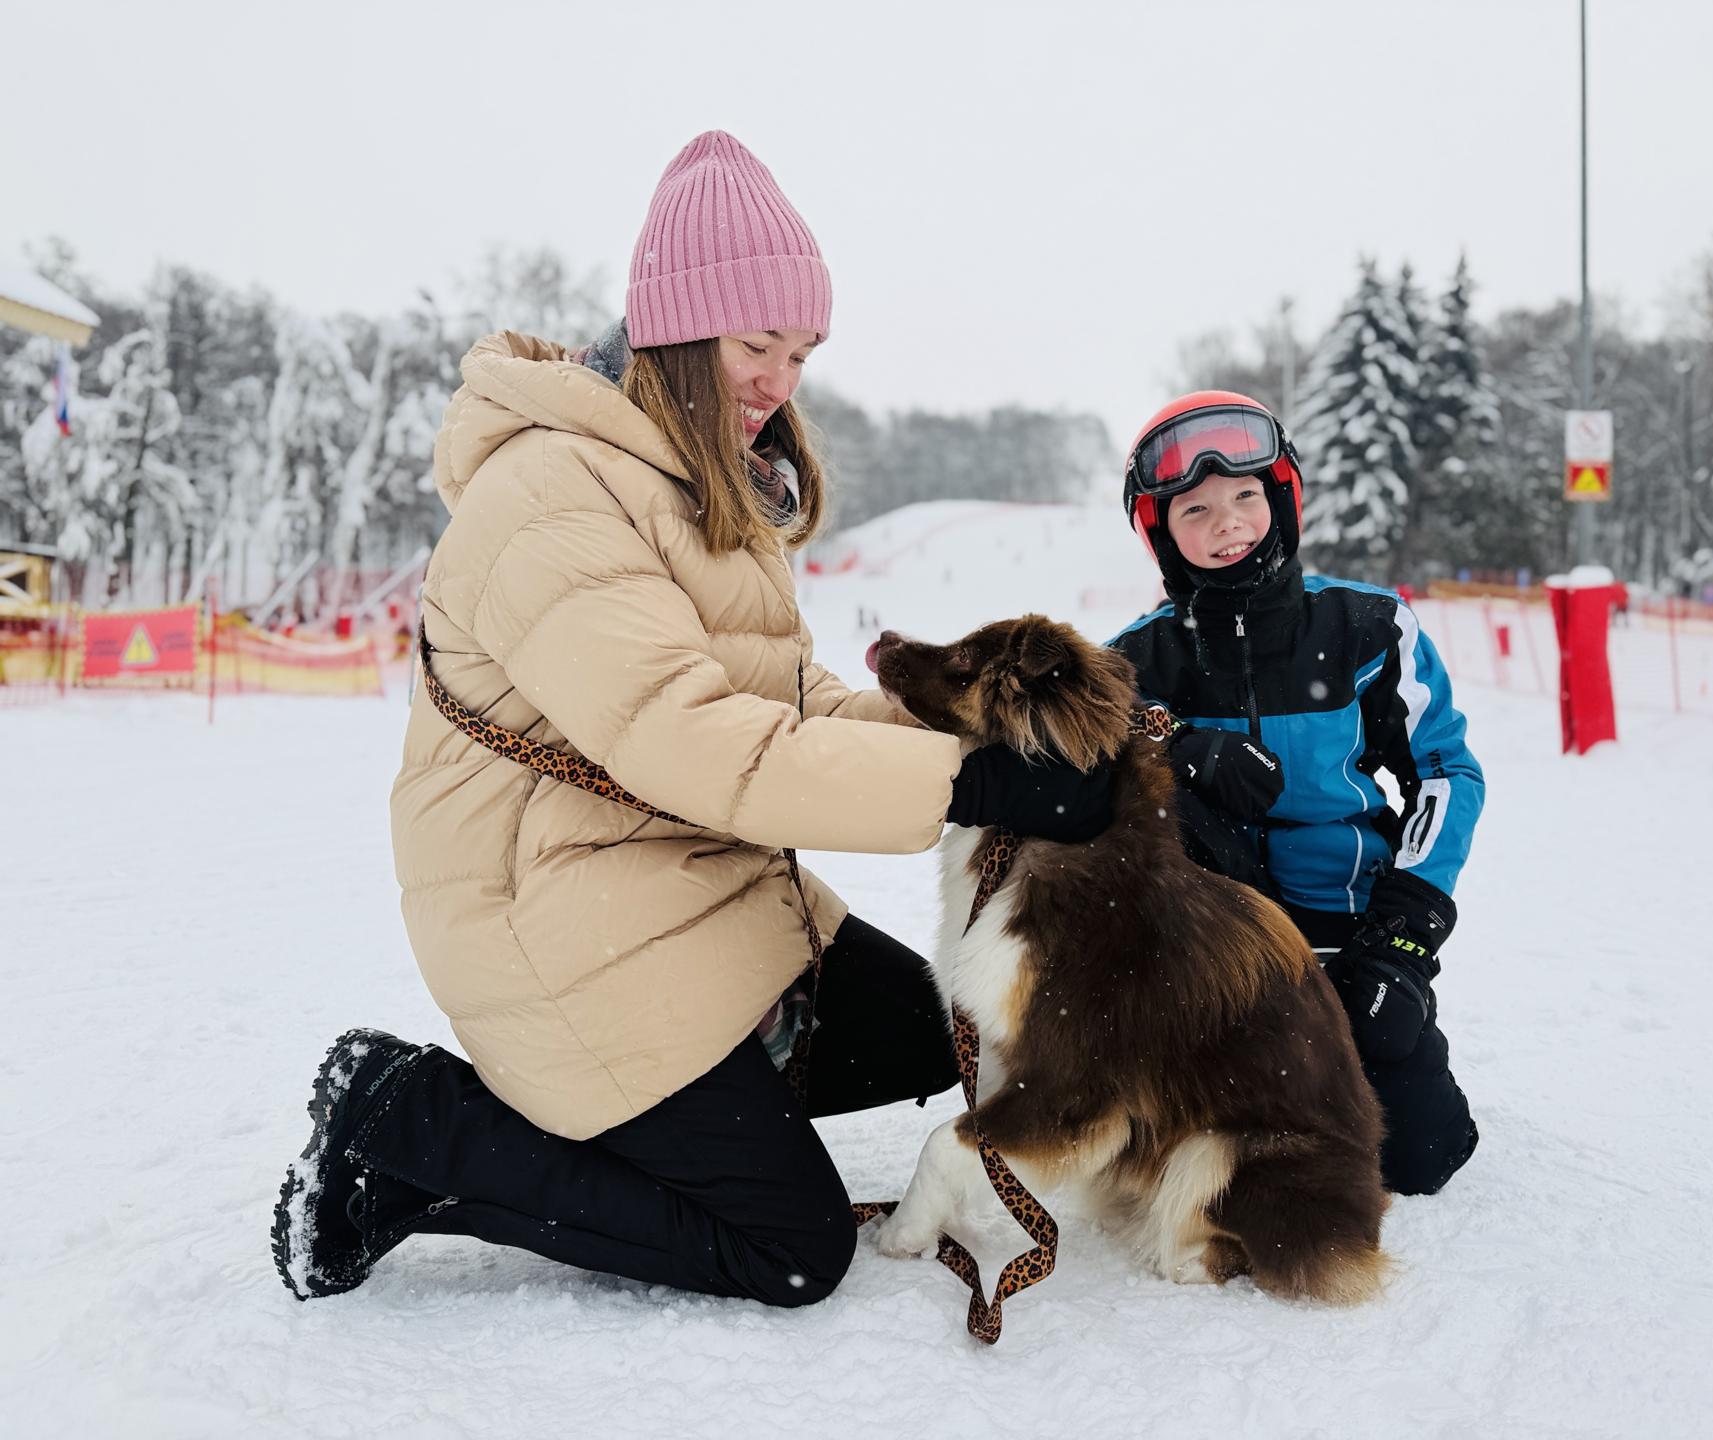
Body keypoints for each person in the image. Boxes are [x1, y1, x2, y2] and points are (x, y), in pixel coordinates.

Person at [271, 131, 1113, 1309]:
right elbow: (689, 737)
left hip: (692, 889)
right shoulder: (555, 489)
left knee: (948, 1030)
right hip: (564, 922)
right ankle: (418, 1124)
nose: (781, 380)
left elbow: (786, 699)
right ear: (673, 330)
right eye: (756, 344)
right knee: (793, 1247)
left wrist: (985, 749)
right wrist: (965, 794)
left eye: (802, 353)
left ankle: (682, 1108)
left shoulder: (697, 479)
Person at [1107, 391, 1485, 1196]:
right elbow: (1072, 749)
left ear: (1281, 500)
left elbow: (1446, 773)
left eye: (1246, 496)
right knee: (1229, 1160)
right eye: (1196, 510)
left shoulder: (1366, 628)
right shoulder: (1135, 663)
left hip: (1352, 934)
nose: (1228, 522)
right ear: (1161, 533)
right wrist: (1177, 744)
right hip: (1214, 952)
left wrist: (1405, 940)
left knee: (1418, 1158)